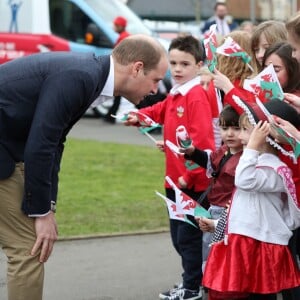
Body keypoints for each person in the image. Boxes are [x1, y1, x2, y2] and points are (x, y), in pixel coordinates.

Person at [0, 34, 168, 300]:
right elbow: (42, 144)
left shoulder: (92, 75)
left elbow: (55, 142)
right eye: (155, 80)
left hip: (10, 148)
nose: (155, 90)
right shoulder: (82, 77)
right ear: (137, 68)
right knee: (28, 250)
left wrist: (48, 204)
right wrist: (41, 213)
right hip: (7, 152)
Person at [125, 35, 215, 300]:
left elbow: (203, 145)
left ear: (199, 65)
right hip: (174, 181)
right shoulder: (178, 92)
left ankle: (192, 288)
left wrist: (189, 175)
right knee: (179, 238)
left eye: (185, 64)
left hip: (191, 184)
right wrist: (139, 116)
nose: (177, 69)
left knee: (187, 239)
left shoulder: (196, 95)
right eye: (173, 63)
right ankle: (191, 280)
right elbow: (162, 109)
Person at [202, 99, 300, 300]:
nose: (240, 135)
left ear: (265, 137)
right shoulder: (253, 162)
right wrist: (217, 224)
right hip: (244, 240)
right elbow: (243, 208)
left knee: (261, 295)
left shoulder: (274, 169)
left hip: (260, 244)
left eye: (246, 130)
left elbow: (244, 180)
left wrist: (252, 147)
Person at [180, 105, 243, 275]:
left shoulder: (247, 158)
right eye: (224, 128)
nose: (229, 133)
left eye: (236, 128)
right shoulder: (223, 151)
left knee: (226, 257)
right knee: (210, 254)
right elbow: (210, 161)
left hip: (231, 214)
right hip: (213, 210)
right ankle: (211, 284)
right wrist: (192, 151)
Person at [103, 16, 131, 124]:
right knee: (119, 93)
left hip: (123, 69)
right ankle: (110, 116)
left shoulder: (123, 38)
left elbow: (118, 54)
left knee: (122, 93)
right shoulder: (124, 36)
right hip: (124, 69)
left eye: (115, 25)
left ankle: (110, 116)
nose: (113, 27)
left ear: (120, 26)